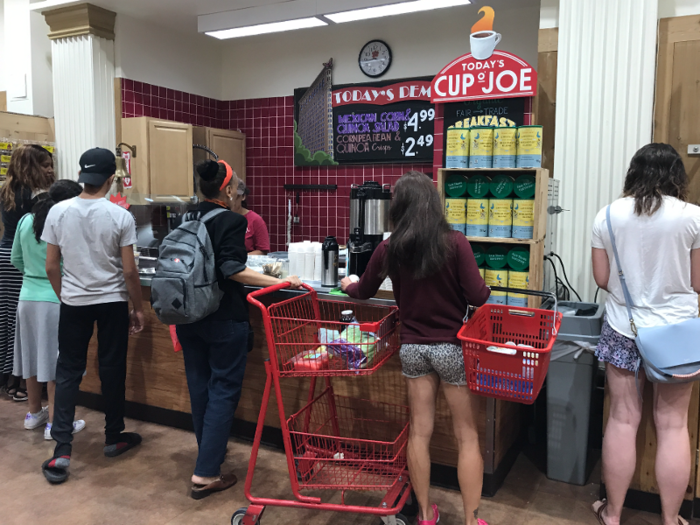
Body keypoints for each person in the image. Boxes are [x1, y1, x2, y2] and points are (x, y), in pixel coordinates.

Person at [341, 171, 491, 525]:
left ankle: (424, 515)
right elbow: (479, 297)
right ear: (434, 204)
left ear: (399, 208)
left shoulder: (389, 248)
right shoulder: (455, 243)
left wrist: (347, 284)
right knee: (466, 435)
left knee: (419, 433)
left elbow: (363, 291)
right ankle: (473, 521)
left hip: (413, 350)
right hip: (452, 349)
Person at [177, 159, 301, 500]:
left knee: (200, 387)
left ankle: (209, 456)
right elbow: (233, 269)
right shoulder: (231, 220)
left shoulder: (185, 217)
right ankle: (205, 472)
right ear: (229, 190)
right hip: (223, 317)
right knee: (223, 390)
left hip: (188, 316)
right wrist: (279, 280)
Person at [591, 143, 700, 525]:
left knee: (622, 420)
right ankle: (671, 519)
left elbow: (602, 279)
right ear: (677, 175)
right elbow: (699, 282)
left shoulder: (607, 215)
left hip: (624, 328)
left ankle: (613, 513)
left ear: (633, 173)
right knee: (673, 426)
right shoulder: (694, 218)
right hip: (678, 334)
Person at [40, 148, 145, 485]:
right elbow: (129, 271)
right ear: (111, 179)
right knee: (112, 366)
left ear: (83, 175)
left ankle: (61, 449)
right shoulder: (119, 216)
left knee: (69, 369)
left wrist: (65, 295)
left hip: (74, 302)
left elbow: (51, 265)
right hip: (112, 301)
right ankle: (114, 436)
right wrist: (138, 307)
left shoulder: (58, 211)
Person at [12, 180, 86, 439]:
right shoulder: (64, 223)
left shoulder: (25, 221)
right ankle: (56, 422)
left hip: (27, 298)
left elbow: (15, 259)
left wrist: (33, 277)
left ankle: (34, 413)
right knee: (58, 362)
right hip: (57, 298)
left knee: (32, 357)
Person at [0, 144, 55, 401]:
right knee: (24, 326)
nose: (50, 170)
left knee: (10, 320)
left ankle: (9, 377)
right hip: (24, 259)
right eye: (45, 165)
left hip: (5, 255)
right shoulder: (35, 197)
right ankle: (21, 383)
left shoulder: (6, 190)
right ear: (32, 166)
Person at [230, 179, 270, 255]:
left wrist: (241, 257)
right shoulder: (222, 218)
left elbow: (263, 250)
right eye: (229, 198)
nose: (232, 202)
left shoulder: (255, 220)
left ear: (243, 197)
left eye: (235, 198)